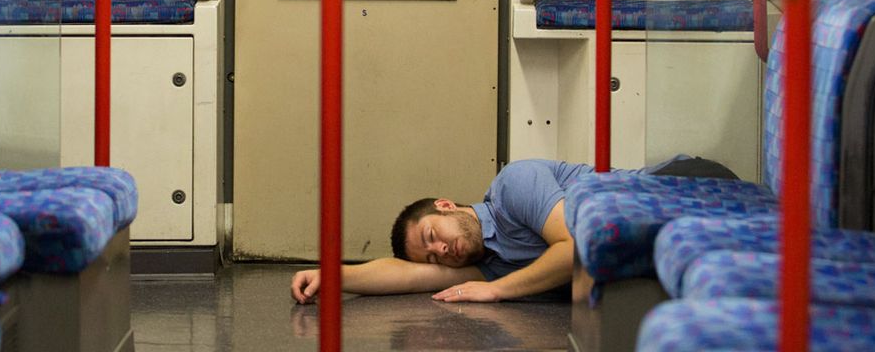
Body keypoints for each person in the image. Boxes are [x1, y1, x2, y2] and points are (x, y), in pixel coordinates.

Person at [289, 156, 736, 304]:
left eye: (432, 236)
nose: (442, 251)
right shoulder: (489, 263)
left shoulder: (512, 187)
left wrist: (497, 292)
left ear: (446, 205)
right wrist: (334, 276)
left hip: (683, 187)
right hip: (659, 245)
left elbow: (577, 246)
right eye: (434, 256)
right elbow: (406, 275)